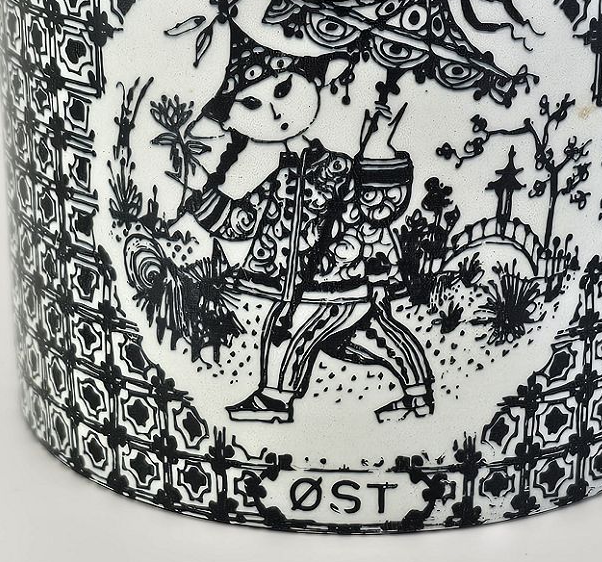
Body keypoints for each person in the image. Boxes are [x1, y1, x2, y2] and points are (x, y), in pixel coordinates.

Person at [181, 21, 434, 425]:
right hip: (315, 284)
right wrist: (201, 196)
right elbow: (244, 222)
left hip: (339, 279)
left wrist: (377, 151)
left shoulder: (338, 166)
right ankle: (418, 394)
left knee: (289, 329)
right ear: (231, 121)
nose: (275, 111)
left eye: (284, 90)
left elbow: (379, 206)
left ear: (311, 81)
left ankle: (274, 400)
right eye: (251, 104)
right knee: (364, 338)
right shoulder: (283, 175)